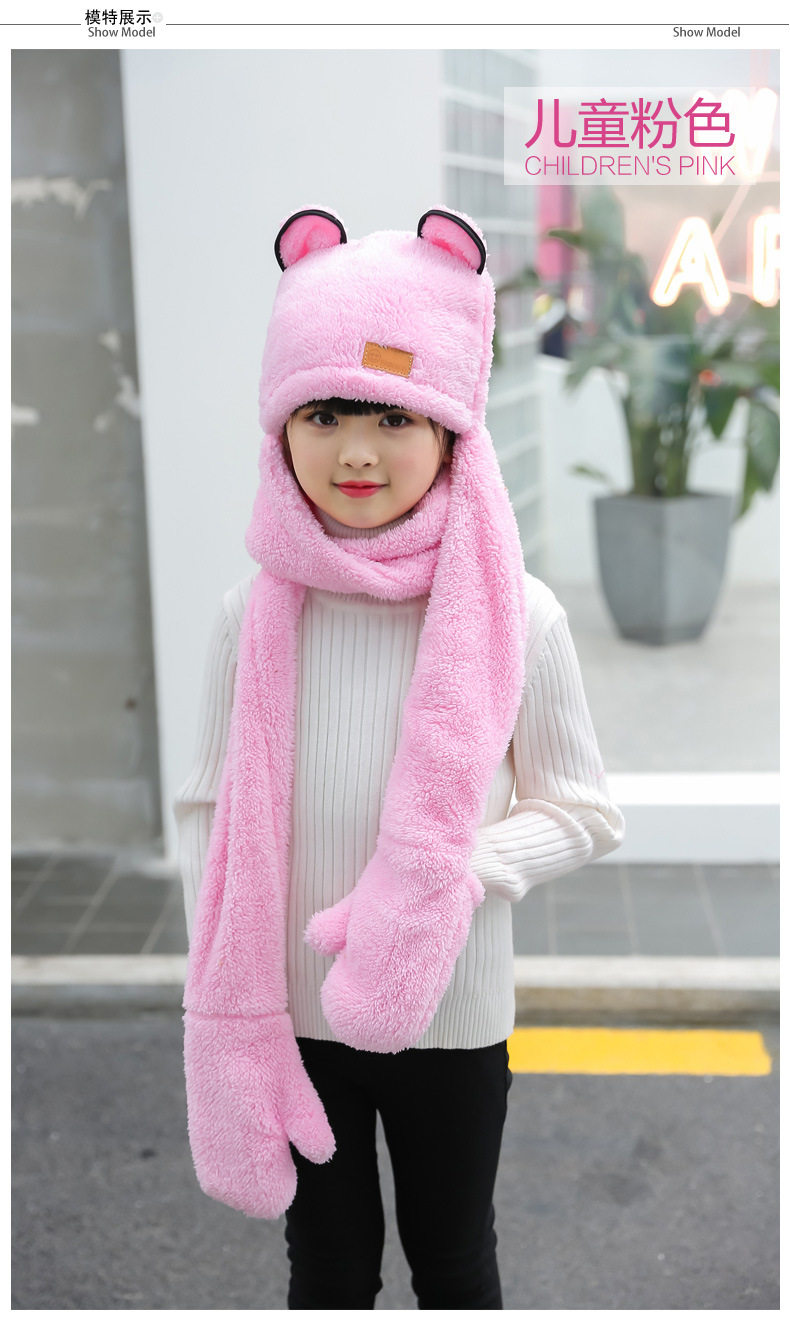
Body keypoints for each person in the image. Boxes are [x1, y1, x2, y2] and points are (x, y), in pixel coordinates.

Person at [174, 206, 625, 1311]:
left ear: (453, 432)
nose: (358, 452)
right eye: (323, 413)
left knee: (453, 1259)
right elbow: (205, 807)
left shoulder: (517, 615)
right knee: (326, 1266)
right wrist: (222, 969)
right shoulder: (252, 613)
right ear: (281, 429)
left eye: (394, 415)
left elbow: (583, 809)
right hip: (292, 1010)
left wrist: (448, 875)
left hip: (451, 1004)